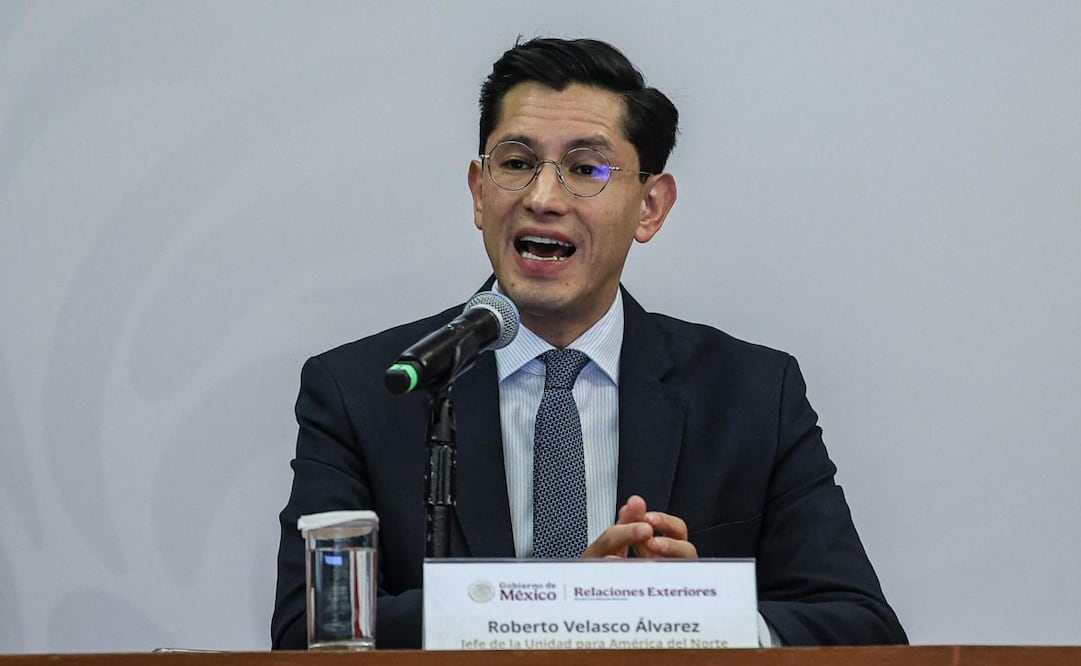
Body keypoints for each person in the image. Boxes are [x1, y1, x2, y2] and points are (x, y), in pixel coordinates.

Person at [272, 37, 907, 649]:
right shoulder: (368, 389)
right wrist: (567, 602)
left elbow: (861, 627)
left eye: (586, 169)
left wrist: (699, 614)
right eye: (517, 164)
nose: (543, 198)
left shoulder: (750, 395)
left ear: (650, 207)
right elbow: (311, 628)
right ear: (477, 190)